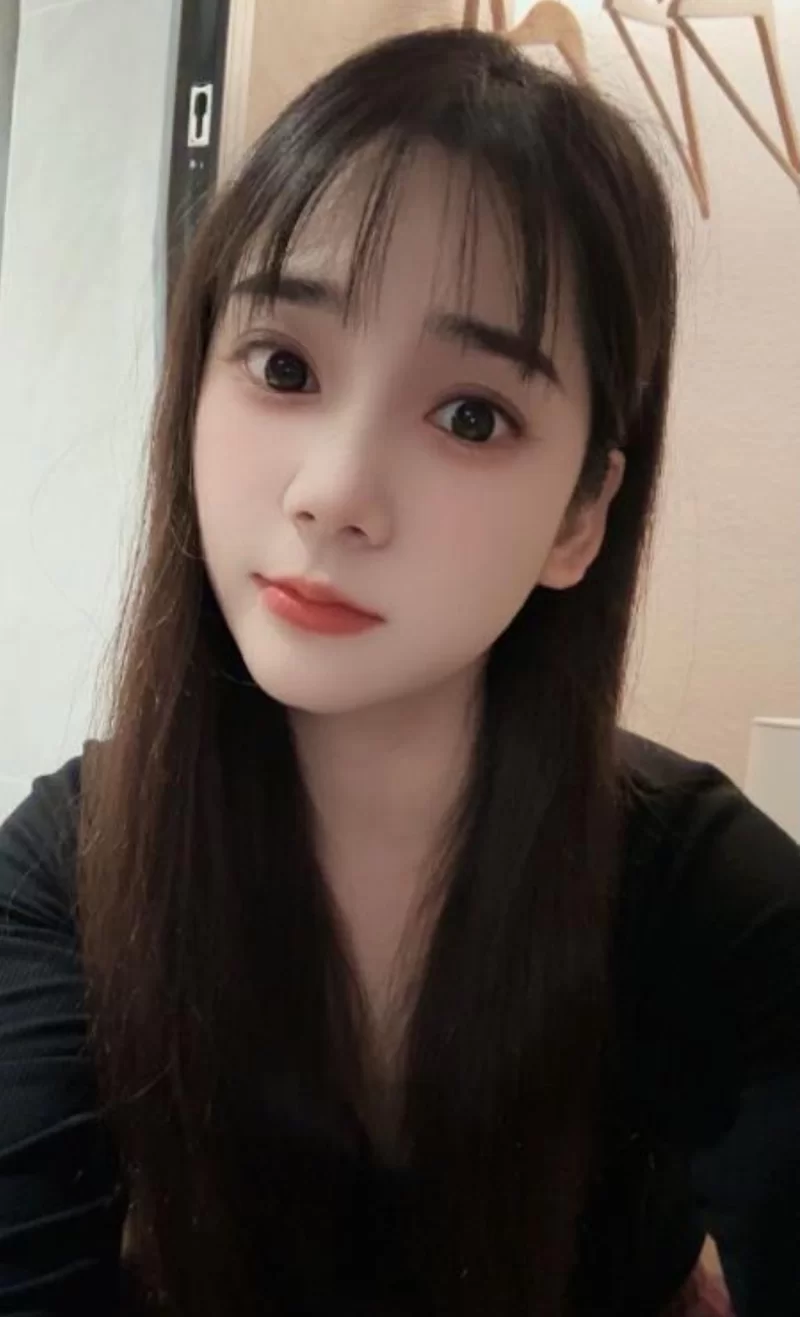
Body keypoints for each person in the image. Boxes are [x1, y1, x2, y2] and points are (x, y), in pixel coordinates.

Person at [0, 25, 797, 1317]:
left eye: (471, 415)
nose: (334, 492)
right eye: (285, 366)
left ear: (581, 517)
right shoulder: (71, 876)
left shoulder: (708, 903)